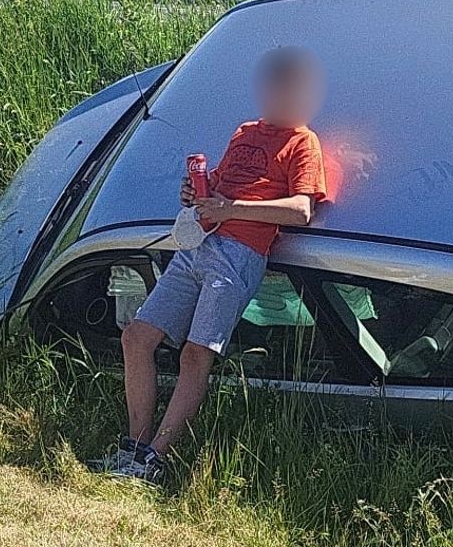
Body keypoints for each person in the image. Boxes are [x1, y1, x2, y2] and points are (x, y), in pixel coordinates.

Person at [97, 46, 326, 484]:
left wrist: (231, 208)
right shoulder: (244, 132)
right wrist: (196, 193)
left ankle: (155, 459)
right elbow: (218, 186)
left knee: (196, 354)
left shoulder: (303, 142)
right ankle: (135, 447)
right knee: (137, 337)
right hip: (199, 243)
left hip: (239, 254)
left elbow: (300, 211)